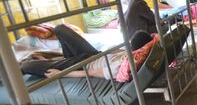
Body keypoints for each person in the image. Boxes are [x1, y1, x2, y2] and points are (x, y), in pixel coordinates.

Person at [20, 24, 152, 79]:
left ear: (137, 50)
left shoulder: (122, 66)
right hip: (94, 54)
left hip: (84, 63)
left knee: (26, 66)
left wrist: (61, 74)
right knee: (60, 28)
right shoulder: (131, 53)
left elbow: (91, 72)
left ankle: (8, 75)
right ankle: (56, 61)